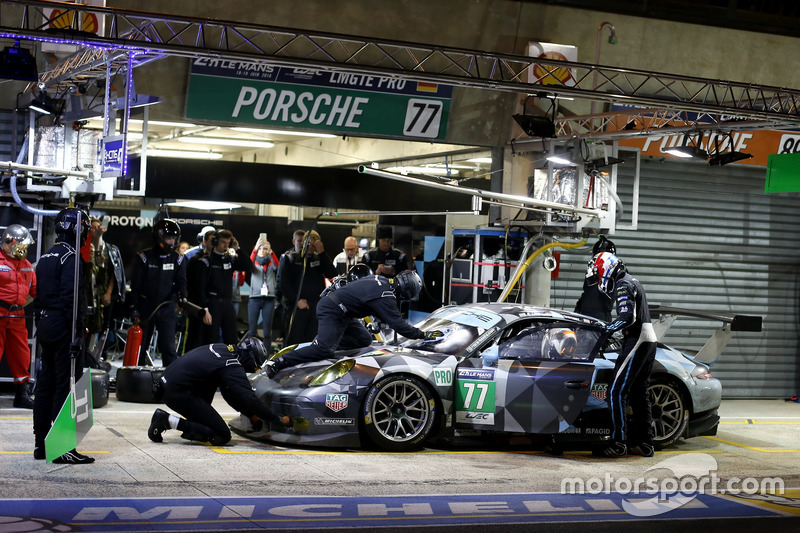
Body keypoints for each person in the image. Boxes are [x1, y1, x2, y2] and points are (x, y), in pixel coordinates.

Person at [266, 270, 439, 377]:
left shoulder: (382, 280)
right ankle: (280, 361)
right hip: (333, 310)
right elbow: (399, 325)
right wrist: (422, 335)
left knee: (363, 339)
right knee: (324, 348)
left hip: (342, 311)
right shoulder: (386, 296)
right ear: (407, 291)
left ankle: (323, 347)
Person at [32, 207, 95, 464]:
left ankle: (41, 445)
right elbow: (72, 299)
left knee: (45, 386)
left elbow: (38, 295)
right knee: (65, 386)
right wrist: (77, 334)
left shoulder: (46, 255)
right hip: (63, 325)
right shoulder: (71, 257)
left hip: (45, 324)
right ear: (76, 228)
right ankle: (61, 447)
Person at [147, 337, 289, 445]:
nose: (253, 370)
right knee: (221, 435)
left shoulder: (223, 350)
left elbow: (228, 393)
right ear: (250, 357)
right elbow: (248, 398)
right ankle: (165, 420)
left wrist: (250, 415)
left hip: (167, 384)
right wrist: (276, 419)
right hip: (177, 391)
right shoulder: (232, 365)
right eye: (255, 365)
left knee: (210, 386)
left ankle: (194, 428)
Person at [589, 252, 657, 458]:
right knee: (639, 392)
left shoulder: (622, 284)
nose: (600, 279)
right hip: (648, 338)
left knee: (615, 391)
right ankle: (645, 443)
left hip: (637, 339)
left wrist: (606, 329)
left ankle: (618, 442)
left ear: (607, 269)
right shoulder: (632, 281)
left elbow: (627, 317)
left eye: (599, 274)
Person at [128, 219, 187, 367]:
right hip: (146, 308)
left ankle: (171, 380)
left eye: (174, 238)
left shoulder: (178, 259)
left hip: (167, 308)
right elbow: (136, 286)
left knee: (168, 348)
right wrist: (134, 308)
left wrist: (182, 298)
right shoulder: (144, 257)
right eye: (168, 238)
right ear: (159, 237)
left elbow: (182, 282)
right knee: (141, 346)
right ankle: (135, 377)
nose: (171, 241)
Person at [277, 230, 337, 346]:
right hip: (297, 307)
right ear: (303, 242)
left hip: (315, 307)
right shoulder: (290, 258)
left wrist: (322, 253)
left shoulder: (319, 259)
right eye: (308, 242)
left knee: (312, 341)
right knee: (294, 341)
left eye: (314, 243)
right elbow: (284, 284)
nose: (310, 246)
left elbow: (332, 274)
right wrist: (297, 300)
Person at [0, 224, 37, 409]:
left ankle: (21, 395)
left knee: (22, 355)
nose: (24, 250)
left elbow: (35, 292)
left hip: (17, 316)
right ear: (9, 244)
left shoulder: (28, 267)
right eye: (21, 246)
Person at [196, 230, 252, 346]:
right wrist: (205, 309)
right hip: (213, 303)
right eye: (223, 242)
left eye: (228, 242)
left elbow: (248, 266)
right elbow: (200, 287)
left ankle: (230, 362)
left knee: (231, 338)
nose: (226, 245)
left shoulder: (229, 259)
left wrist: (238, 249)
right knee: (211, 338)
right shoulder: (206, 261)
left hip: (227, 303)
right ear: (215, 242)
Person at [85, 218, 126, 364]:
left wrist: (109, 293)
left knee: (104, 325)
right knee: (89, 324)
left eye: (97, 227)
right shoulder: (86, 248)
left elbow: (113, 274)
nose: (95, 230)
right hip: (89, 293)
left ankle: (102, 356)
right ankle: (87, 355)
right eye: (92, 228)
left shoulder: (110, 249)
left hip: (103, 292)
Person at [574, 235, 616, 322]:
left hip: (601, 317)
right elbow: (587, 291)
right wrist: (578, 309)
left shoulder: (615, 271)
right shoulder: (592, 269)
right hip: (585, 314)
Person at [248, 236, 279, 349]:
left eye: (264, 249)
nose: (262, 250)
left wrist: (271, 251)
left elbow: (279, 266)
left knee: (267, 331)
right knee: (252, 331)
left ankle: (265, 356)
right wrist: (255, 248)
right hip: (254, 298)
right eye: (260, 249)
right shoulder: (254, 262)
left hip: (269, 299)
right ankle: (250, 353)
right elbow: (248, 264)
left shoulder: (271, 262)